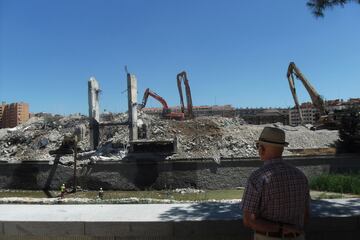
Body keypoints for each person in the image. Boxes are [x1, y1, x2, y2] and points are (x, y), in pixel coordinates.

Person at [241, 127, 310, 240]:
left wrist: (281, 228)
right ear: (282, 149)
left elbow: (249, 221)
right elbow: (306, 217)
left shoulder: (257, 178)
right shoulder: (300, 176)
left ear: (262, 149)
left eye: (258, 146)